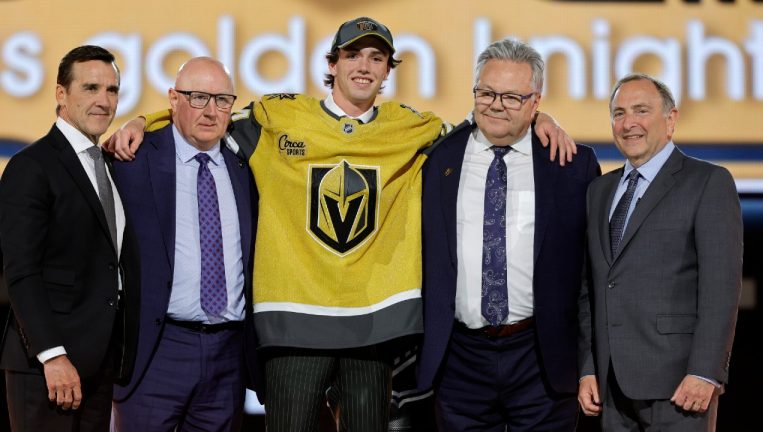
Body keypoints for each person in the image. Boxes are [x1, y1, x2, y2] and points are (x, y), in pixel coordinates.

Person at [106, 17, 575, 431]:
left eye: (377, 57)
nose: (364, 66)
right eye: (353, 54)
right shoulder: (278, 116)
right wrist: (148, 120)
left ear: (389, 70)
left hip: (374, 328)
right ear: (332, 63)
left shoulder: (413, 128)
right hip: (293, 325)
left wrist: (540, 118)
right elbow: (207, 115)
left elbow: (489, 125)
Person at [417, 39, 600, 431]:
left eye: (513, 97)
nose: (496, 104)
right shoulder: (437, 160)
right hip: (459, 359)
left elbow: (591, 278)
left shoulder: (571, 165)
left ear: (536, 102)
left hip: (542, 358)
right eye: (487, 92)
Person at [577, 73, 742, 431]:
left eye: (641, 110)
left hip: (680, 386)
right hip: (611, 386)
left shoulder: (708, 182)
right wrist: (588, 366)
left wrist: (705, 371)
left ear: (671, 119)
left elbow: (721, 289)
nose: (628, 123)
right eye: (618, 113)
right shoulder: (599, 191)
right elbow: (590, 289)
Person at [110, 57, 259, 431]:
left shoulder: (248, 167)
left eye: (222, 100)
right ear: (173, 99)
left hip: (228, 354)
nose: (211, 111)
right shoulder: (133, 158)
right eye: (198, 98)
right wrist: (139, 121)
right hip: (157, 349)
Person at [0, 45, 140, 431]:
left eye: (112, 90)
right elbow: (22, 272)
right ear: (61, 95)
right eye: (91, 88)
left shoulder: (109, 164)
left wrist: (142, 120)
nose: (104, 101)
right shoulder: (32, 166)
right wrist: (53, 356)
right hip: (48, 367)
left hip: (99, 364)